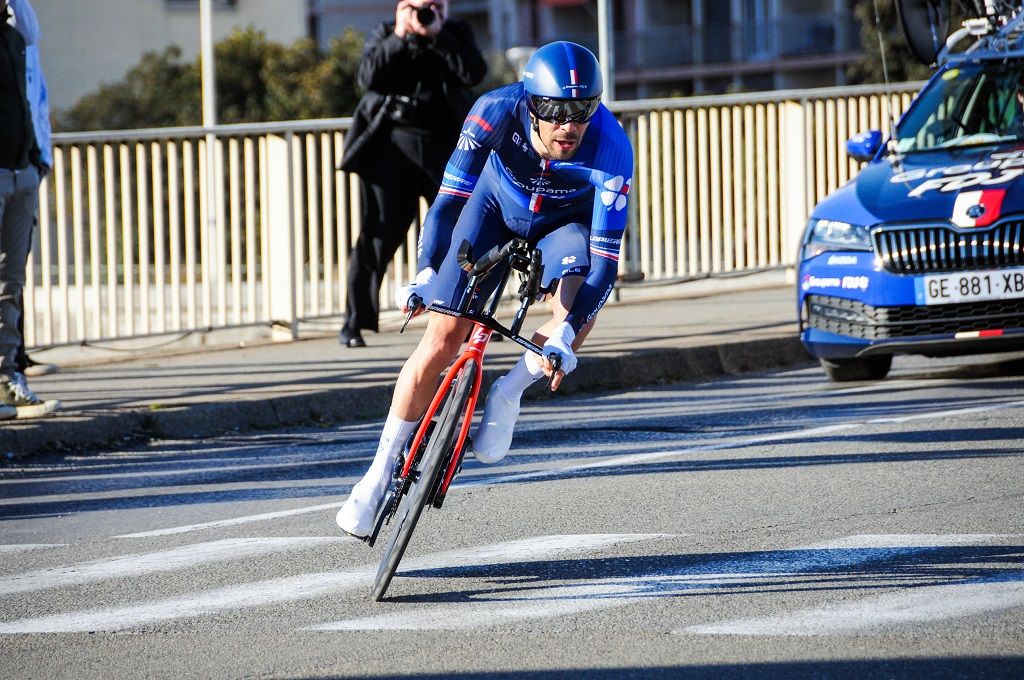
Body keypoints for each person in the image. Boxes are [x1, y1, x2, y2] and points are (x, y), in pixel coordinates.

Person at [336, 41, 633, 537]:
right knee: (442, 337)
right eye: (556, 110)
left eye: (582, 109)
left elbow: (606, 264)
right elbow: (449, 202)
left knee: (573, 304)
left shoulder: (611, 147)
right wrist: (428, 269)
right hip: (494, 208)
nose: (570, 124)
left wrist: (567, 331)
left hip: (565, 225)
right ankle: (379, 469)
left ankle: (510, 391)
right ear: (531, 103)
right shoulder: (493, 112)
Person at [338, 0, 486, 348]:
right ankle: (354, 322)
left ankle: (466, 319)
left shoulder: (456, 33)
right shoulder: (387, 33)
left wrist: (439, 37)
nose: (427, 12)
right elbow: (367, 78)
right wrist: (401, 35)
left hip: (447, 149)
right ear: (402, 7)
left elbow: (475, 74)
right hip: (392, 149)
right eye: (418, 6)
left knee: (462, 234)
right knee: (377, 235)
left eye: (435, 6)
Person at [0, 0, 58, 419]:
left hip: (22, 170)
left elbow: (31, 29)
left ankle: (6, 380)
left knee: (9, 283)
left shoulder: (16, 38)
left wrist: (40, 163)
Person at [11, 0, 56, 379]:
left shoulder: (20, 39)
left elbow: (38, 100)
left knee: (12, 273)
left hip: (25, 162)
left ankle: (14, 363)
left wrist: (42, 158)